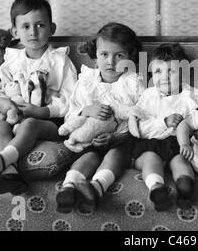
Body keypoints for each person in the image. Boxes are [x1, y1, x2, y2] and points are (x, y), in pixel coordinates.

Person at [0, 0, 78, 195]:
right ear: (15, 31)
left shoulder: (60, 61)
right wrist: (3, 103)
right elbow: (0, 89)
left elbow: (73, 99)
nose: (33, 32)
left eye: (40, 25)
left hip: (51, 124)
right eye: (26, 26)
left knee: (29, 123)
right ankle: (11, 176)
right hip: (15, 118)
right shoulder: (12, 60)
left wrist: (41, 111)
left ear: (51, 28)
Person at [56, 22, 144, 213]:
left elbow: (141, 117)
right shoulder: (86, 82)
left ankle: (96, 188)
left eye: (119, 55)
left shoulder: (134, 84)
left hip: (121, 142)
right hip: (89, 141)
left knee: (114, 155)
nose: (110, 61)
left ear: (130, 58)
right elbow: (71, 115)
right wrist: (86, 111)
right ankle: (68, 188)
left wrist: (117, 137)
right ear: (96, 55)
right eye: (104, 54)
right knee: (88, 157)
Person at [128, 43, 198, 211]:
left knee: (181, 161)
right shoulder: (148, 96)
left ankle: (185, 186)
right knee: (151, 159)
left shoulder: (191, 97)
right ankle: (156, 187)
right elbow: (139, 129)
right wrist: (164, 122)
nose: (165, 77)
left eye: (171, 71)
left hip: (177, 144)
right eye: (158, 71)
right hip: (150, 144)